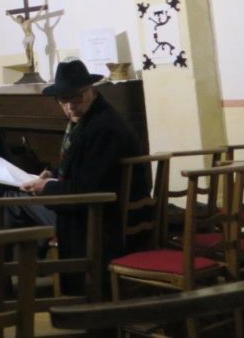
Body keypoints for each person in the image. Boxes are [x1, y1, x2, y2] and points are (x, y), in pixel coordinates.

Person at [11, 60, 146, 296]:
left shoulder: (104, 129)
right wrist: (52, 174)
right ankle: (34, 270)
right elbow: (82, 165)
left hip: (96, 218)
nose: (71, 106)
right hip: (91, 208)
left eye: (76, 98)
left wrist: (47, 188)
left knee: (13, 201)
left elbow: (89, 189)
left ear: (91, 91)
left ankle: (11, 282)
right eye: (64, 100)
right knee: (19, 199)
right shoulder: (91, 119)